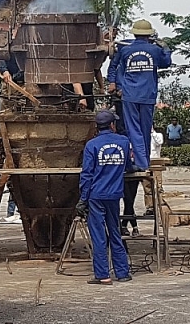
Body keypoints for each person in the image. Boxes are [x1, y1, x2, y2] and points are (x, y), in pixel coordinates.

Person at [107, 19, 172, 171]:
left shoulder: (124, 50)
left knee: (133, 129)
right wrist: (166, 49)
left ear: (134, 34)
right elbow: (166, 62)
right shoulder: (154, 50)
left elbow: (113, 67)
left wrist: (113, 82)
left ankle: (141, 163)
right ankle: (144, 162)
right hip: (148, 95)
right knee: (145, 129)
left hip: (129, 94)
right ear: (149, 35)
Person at [77, 110, 131, 284]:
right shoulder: (123, 142)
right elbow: (129, 166)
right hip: (114, 195)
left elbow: (87, 174)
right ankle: (122, 273)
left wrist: (83, 198)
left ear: (97, 126)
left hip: (96, 195)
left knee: (99, 236)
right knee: (115, 232)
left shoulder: (92, 145)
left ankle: (103, 275)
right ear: (112, 125)